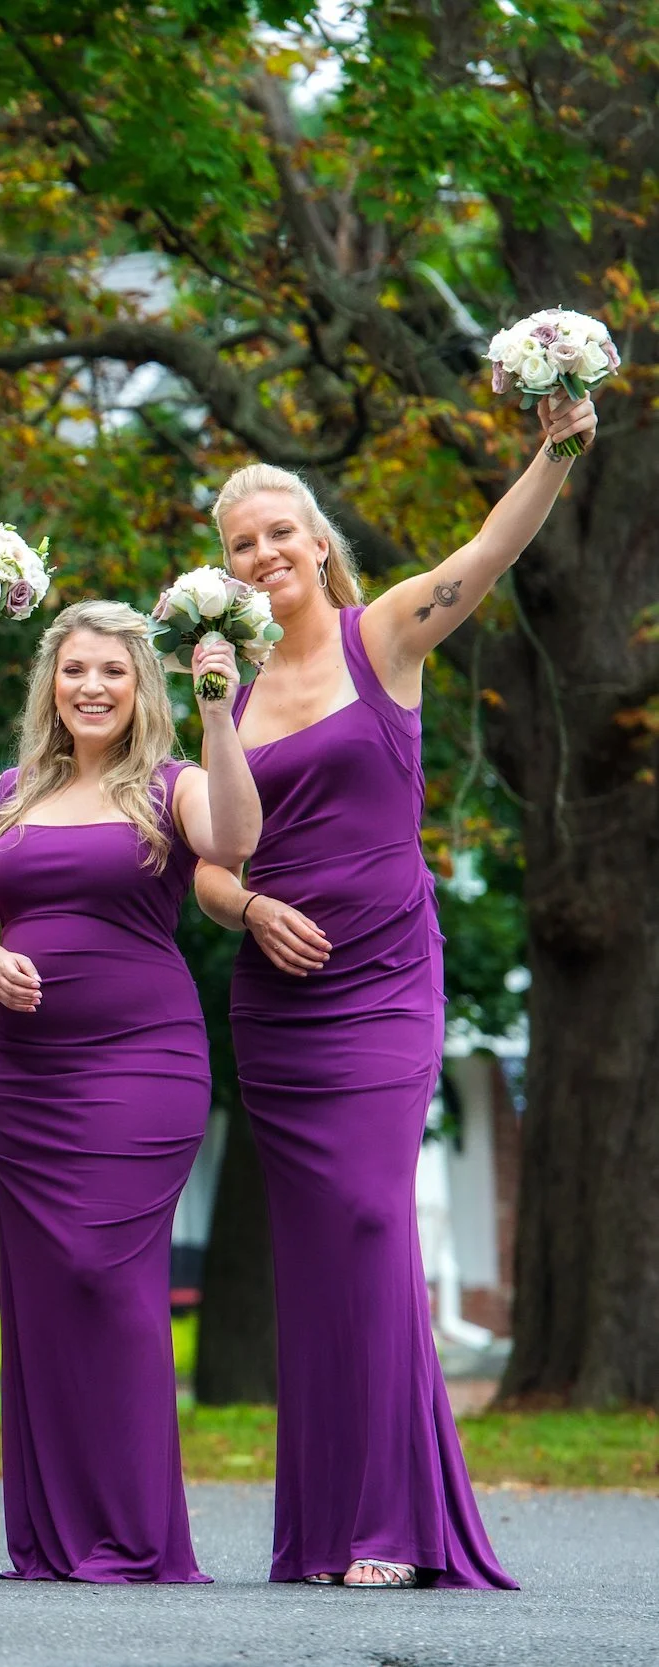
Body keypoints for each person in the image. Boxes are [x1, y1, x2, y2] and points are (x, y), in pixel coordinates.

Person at [192, 392, 593, 1589]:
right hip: (276, 999)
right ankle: (331, 1529)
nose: (265, 553)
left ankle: (390, 1524)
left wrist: (556, 446)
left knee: (371, 1221)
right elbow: (207, 858)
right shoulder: (221, 693)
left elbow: (489, 550)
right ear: (225, 570)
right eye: (241, 544)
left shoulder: (386, 639)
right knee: (317, 1253)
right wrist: (248, 907)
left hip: (379, 982)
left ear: (318, 541)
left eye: (280, 531)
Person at [0, 600, 258, 1583]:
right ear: (50, 682)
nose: (91, 686)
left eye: (112, 671)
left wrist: (218, 714)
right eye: (74, 669)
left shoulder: (174, 783)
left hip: (141, 1062)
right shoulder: (7, 794)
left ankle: (133, 1530)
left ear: (140, 686)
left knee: (105, 1274)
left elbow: (236, 839)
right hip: (22, 1074)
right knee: (43, 1289)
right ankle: (57, 1533)